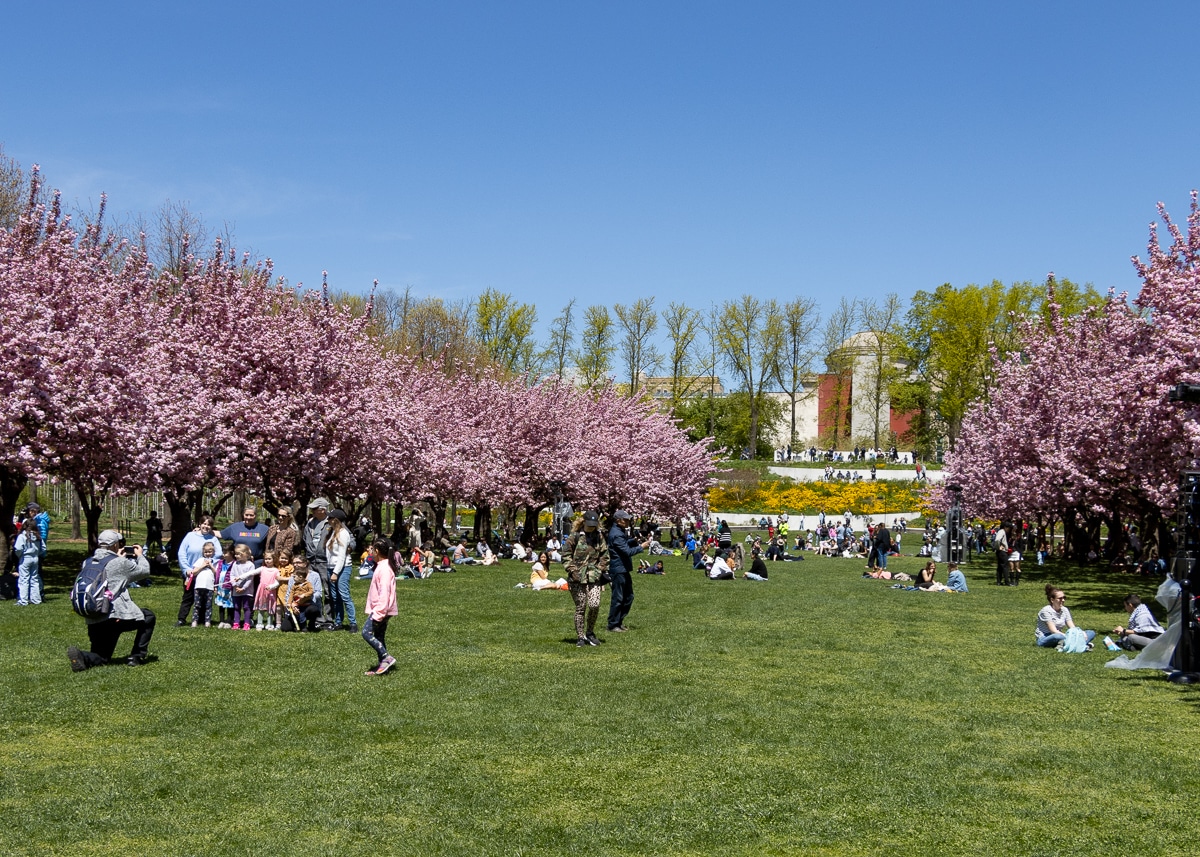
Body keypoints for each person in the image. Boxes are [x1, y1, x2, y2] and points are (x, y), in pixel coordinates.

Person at [67, 530, 156, 670]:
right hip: (115, 615)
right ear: (115, 545)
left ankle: (82, 656)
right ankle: (136, 656)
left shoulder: (87, 562)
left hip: (94, 616)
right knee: (149, 617)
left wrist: (118, 558)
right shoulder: (120, 563)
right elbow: (144, 571)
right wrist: (140, 555)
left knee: (102, 657)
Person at [563, 511, 610, 647]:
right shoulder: (574, 536)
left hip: (594, 576)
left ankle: (590, 632)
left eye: (594, 525)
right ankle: (580, 637)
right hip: (577, 577)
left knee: (595, 604)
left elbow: (605, 555)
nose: (591, 527)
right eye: (589, 525)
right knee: (581, 607)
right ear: (583, 522)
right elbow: (565, 555)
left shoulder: (599, 536)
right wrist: (572, 570)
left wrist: (600, 570)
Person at [175, 515, 222, 626]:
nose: (206, 526)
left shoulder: (213, 539)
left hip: (205, 573)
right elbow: (181, 553)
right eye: (204, 524)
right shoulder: (190, 536)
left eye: (209, 525)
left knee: (204, 596)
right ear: (199, 524)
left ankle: (201, 619)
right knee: (188, 596)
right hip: (191, 573)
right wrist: (186, 569)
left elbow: (219, 554)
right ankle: (182, 618)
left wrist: (209, 563)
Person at [606, 509, 648, 633]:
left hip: (623, 569)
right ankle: (613, 624)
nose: (628, 521)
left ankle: (618, 621)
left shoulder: (619, 531)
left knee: (628, 596)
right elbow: (627, 552)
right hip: (618, 569)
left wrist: (632, 541)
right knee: (618, 597)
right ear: (618, 520)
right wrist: (641, 547)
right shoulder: (616, 533)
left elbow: (623, 544)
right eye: (625, 519)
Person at [362, 538, 398, 675]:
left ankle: (386, 657)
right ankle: (382, 667)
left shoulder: (384, 569)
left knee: (366, 633)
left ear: (377, 551)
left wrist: (379, 612)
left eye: (372, 549)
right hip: (383, 609)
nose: (370, 552)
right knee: (379, 636)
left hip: (381, 609)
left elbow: (385, 592)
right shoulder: (383, 566)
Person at [325, 509, 356, 632]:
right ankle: (338, 621)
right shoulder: (332, 532)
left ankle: (353, 623)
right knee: (335, 597)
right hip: (331, 567)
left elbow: (342, 556)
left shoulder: (343, 533)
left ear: (335, 520)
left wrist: (335, 573)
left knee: (344, 595)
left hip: (342, 568)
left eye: (330, 518)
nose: (328, 520)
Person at [302, 498, 331, 612]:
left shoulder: (332, 522)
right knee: (311, 589)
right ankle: (316, 616)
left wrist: (349, 548)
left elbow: (349, 539)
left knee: (327, 590)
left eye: (315, 508)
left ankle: (328, 617)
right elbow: (305, 538)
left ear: (323, 510)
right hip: (311, 561)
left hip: (324, 562)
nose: (312, 510)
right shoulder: (310, 523)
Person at [14, 519, 43, 606]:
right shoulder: (38, 536)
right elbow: (43, 548)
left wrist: (20, 555)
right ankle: (36, 599)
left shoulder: (22, 536)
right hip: (35, 558)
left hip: (25, 558)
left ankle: (23, 600)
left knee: (24, 579)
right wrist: (37, 553)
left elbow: (18, 548)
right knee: (34, 579)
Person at [229, 544, 258, 630]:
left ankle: (246, 623)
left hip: (247, 590)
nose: (236, 556)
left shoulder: (250, 565)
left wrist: (244, 588)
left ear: (245, 554)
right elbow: (232, 575)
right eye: (236, 554)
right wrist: (235, 585)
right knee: (237, 607)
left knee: (246, 607)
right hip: (236, 590)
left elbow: (250, 578)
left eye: (238, 554)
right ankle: (236, 623)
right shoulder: (235, 564)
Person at [190, 541, 218, 627]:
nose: (208, 554)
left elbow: (217, 573)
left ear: (213, 552)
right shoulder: (200, 560)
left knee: (208, 605)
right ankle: (195, 620)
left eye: (210, 552)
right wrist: (202, 566)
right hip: (198, 586)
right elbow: (193, 572)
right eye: (206, 552)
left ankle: (207, 621)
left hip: (209, 587)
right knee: (197, 604)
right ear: (203, 552)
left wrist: (211, 566)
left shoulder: (216, 562)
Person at [252, 550, 281, 630]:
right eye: (266, 559)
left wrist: (271, 586)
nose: (267, 561)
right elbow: (252, 573)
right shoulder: (262, 569)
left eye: (269, 559)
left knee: (270, 607)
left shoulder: (276, 570)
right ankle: (259, 623)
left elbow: (277, 582)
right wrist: (240, 577)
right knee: (261, 608)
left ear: (274, 559)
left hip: (271, 592)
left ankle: (270, 624)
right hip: (262, 591)